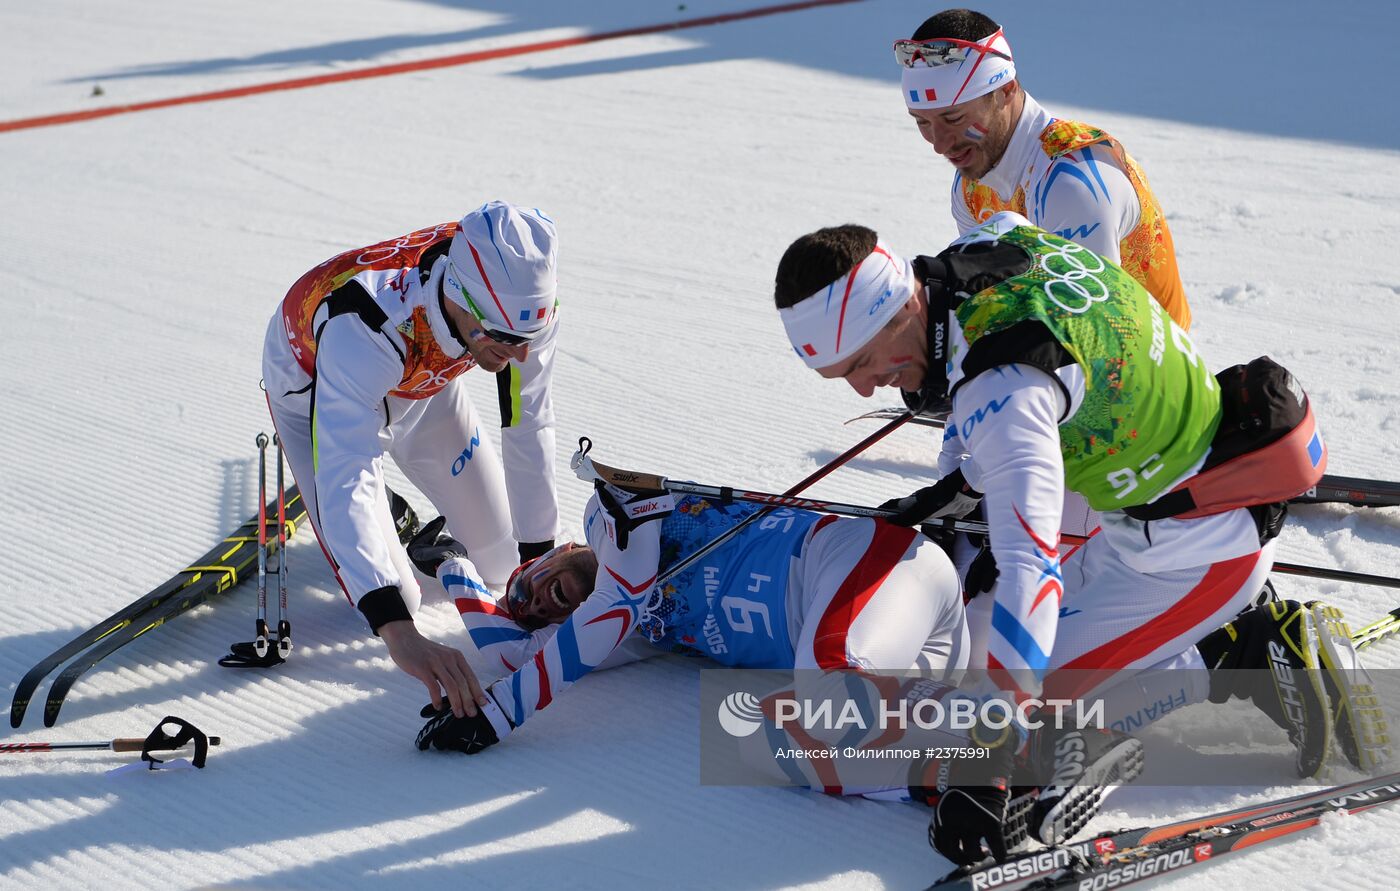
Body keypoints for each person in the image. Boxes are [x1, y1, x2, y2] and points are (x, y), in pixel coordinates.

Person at [770, 211, 1372, 865]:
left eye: (861, 363)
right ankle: (1196, 645)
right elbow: (1043, 350)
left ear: (893, 312)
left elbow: (1032, 570)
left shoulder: (1003, 390)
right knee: (992, 651)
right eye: (843, 377)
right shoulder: (989, 243)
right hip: (1160, 490)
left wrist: (991, 758)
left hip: (1197, 554)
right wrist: (964, 481)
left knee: (995, 714)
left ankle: (1236, 641)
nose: (864, 387)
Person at [405, 470, 1148, 855]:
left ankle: (1009, 749)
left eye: (535, 585)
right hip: (888, 636)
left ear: (559, 545)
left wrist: (501, 714)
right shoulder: (620, 626)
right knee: (790, 746)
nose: (546, 602)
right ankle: (1035, 759)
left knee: (821, 698)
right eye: (540, 611)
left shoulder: (615, 514)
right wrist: (454, 567)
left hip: (865, 566)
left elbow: (578, 627)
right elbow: (511, 647)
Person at [260, 201, 562, 719]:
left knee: (502, 559)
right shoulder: (367, 321)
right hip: (317, 390)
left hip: (424, 385)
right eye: (505, 339)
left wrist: (538, 561)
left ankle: (405, 528)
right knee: (399, 597)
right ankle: (386, 518)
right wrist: (398, 632)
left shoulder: (520, 309)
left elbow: (529, 423)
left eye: (528, 339)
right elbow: (347, 471)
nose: (517, 356)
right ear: (459, 297)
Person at [896, 9, 1191, 331]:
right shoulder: (971, 184)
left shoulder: (1073, 182)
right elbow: (985, 296)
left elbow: (1088, 331)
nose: (939, 144)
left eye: (954, 119)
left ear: (1005, 92)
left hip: (1141, 367)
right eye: (922, 122)